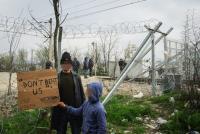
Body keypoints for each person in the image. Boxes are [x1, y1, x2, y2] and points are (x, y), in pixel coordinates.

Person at [51, 52, 85, 134]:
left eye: (68, 63)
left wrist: (84, 108)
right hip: (61, 110)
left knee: (76, 131)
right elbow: (52, 93)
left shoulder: (76, 77)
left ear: (71, 64)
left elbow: (81, 94)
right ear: (61, 64)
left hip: (74, 109)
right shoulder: (56, 77)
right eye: (64, 63)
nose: (66, 65)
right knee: (60, 131)